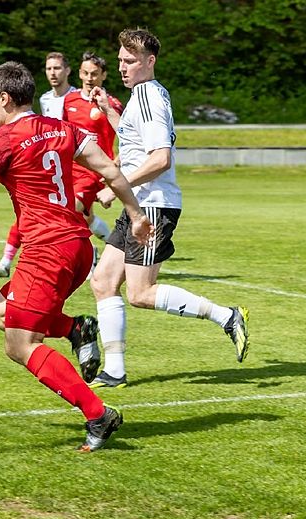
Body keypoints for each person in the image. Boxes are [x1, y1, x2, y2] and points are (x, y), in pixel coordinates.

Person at [0, 61, 153, 452]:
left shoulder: (4, 140)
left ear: (4, 98)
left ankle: (98, 414)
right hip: (79, 247)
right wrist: (135, 216)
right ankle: (75, 329)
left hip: (47, 253)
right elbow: (110, 170)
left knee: (20, 344)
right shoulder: (62, 128)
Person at [86, 28, 249, 388]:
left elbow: (160, 159)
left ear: (150, 61)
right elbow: (134, 141)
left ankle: (227, 316)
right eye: (120, 61)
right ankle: (115, 371)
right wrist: (109, 113)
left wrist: (117, 186)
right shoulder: (142, 95)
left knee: (140, 293)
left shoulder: (149, 97)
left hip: (153, 206)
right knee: (103, 281)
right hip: (140, 204)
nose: (122, 67)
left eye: (130, 61)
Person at [0, 52, 77, 278]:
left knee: (58, 215)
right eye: (49, 68)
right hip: (47, 162)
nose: (52, 73)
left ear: (68, 71)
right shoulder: (45, 99)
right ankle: (6, 261)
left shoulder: (78, 99)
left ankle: (91, 257)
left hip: (72, 169)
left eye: (57, 68)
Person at [62, 51, 123, 244]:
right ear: (80, 73)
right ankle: (114, 248)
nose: (89, 78)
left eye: (94, 74)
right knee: (84, 218)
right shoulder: (69, 100)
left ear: (103, 75)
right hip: (70, 169)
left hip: (93, 172)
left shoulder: (112, 105)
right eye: (85, 73)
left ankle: (87, 255)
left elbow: (129, 138)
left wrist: (117, 163)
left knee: (70, 213)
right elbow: (65, 133)